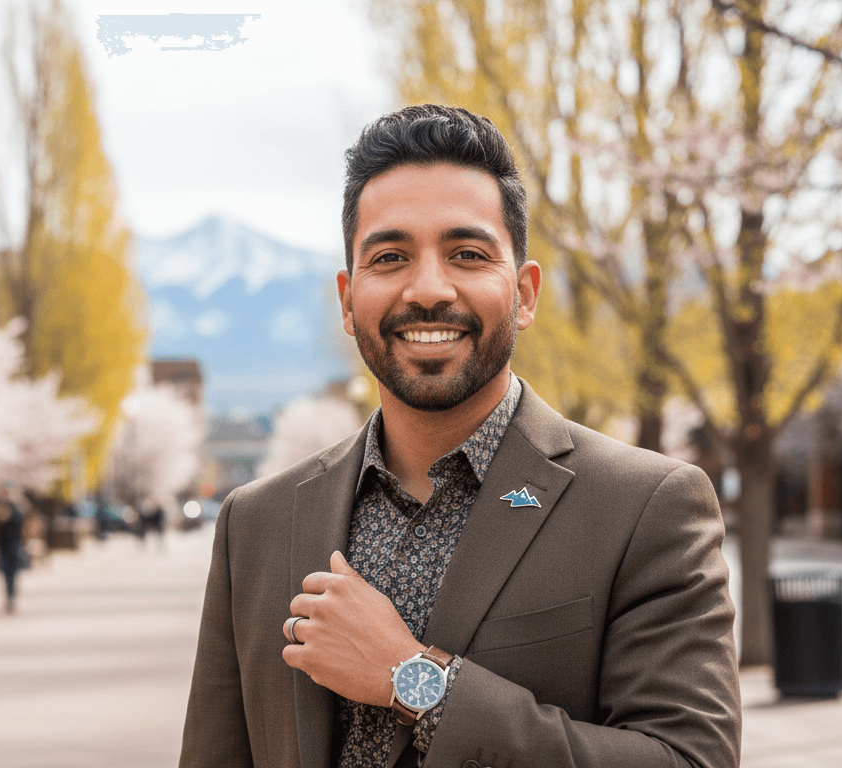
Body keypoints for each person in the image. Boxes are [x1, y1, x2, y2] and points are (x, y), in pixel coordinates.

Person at [179, 105, 740, 768]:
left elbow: (690, 759)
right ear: (348, 299)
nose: (428, 289)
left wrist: (413, 679)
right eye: (390, 257)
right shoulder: (257, 524)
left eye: (467, 255)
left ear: (525, 294)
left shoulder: (647, 507)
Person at [0, 484, 28, 614]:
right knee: (7, 574)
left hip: (15, 544)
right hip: (4, 545)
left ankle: (12, 596)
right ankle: (10, 596)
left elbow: (24, 526)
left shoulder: (19, 508)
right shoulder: (1, 508)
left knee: (13, 573)